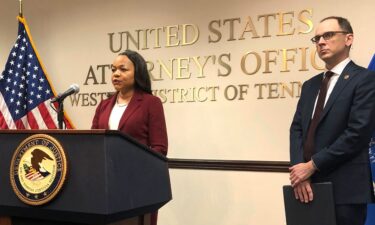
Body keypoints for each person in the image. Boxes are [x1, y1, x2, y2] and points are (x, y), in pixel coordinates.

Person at [289, 16, 375, 225]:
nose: (321, 42)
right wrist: (300, 171)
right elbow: (297, 130)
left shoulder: (365, 79)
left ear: (348, 39)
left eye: (328, 35)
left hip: (346, 190)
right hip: (306, 186)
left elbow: (357, 134)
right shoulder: (310, 85)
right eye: (317, 38)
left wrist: (313, 165)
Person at [91, 49, 168, 225]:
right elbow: (94, 143)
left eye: (123, 69)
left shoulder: (151, 103)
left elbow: (160, 147)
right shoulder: (103, 105)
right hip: (106, 187)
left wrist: (137, 172)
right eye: (113, 69)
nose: (116, 74)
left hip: (138, 186)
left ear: (137, 73)